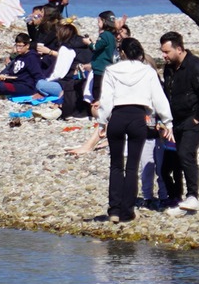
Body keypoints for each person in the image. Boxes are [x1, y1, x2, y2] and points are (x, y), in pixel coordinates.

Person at [66, 37, 172, 223]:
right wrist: (168, 122)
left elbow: (106, 99)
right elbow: (159, 98)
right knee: (132, 166)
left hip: (117, 117)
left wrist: (102, 123)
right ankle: (127, 210)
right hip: (137, 117)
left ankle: (114, 209)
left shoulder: (112, 70)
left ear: (121, 52)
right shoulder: (147, 71)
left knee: (116, 165)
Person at [158, 31, 199, 215]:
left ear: (179, 49)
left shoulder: (197, 65)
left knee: (186, 153)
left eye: (167, 52)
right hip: (176, 121)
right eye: (162, 52)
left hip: (196, 119)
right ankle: (178, 200)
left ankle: (193, 196)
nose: (164, 56)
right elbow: (166, 94)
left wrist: (198, 117)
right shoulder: (168, 68)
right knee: (172, 161)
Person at [0, 34, 46, 99]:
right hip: (14, 83)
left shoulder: (32, 58)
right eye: (17, 46)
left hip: (26, 86)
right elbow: (11, 71)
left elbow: (38, 76)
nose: (18, 49)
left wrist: (41, 92)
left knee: (0, 86)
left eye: (20, 46)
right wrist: (4, 76)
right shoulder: (18, 57)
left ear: (27, 46)